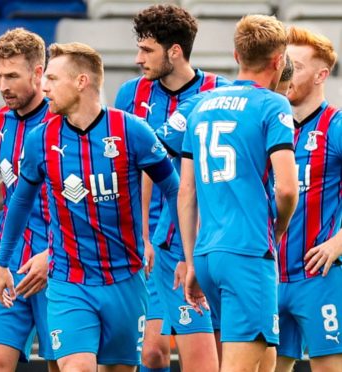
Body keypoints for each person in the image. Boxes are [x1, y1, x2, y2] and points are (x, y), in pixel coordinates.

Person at [0, 41, 180, 372]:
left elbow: (176, 190)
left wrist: (164, 243)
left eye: (52, 78)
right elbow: (20, 201)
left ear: (82, 81)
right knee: (77, 367)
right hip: (69, 281)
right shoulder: (41, 138)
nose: (44, 87)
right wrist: (2, 263)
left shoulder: (132, 131)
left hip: (125, 278)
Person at [178, 14, 298, 372]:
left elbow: (186, 192)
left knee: (266, 356)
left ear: (236, 55)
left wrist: (192, 260)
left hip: (208, 254)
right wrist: (276, 231)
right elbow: (288, 189)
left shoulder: (201, 105)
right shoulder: (273, 104)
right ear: (279, 62)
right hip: (247, 251)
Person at [114, 5, 228, 371]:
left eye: (147, 50)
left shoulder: (218, 92)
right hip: (156, 244)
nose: (138, 58)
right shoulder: (130, 95)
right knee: (152, 352)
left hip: (204, 240)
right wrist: (141, 236)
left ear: (174, 51)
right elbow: (134, 170)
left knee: (220, 350)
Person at [0, 28, 59, 372]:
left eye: (12, 76)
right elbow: (13, 188)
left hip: (60, 264)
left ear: (38, 72)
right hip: (7, 264)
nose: (3, 85)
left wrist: (52, 255)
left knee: (62, 364)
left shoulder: (62, 122)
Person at [275, 26, 342, 372]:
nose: (287, 73)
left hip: (318, 278)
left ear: (321, 75)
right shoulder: (272, 126)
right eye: (285, 64)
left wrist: (337, 244)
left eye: (296, 66)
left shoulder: (336, 125)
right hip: (271, 275)